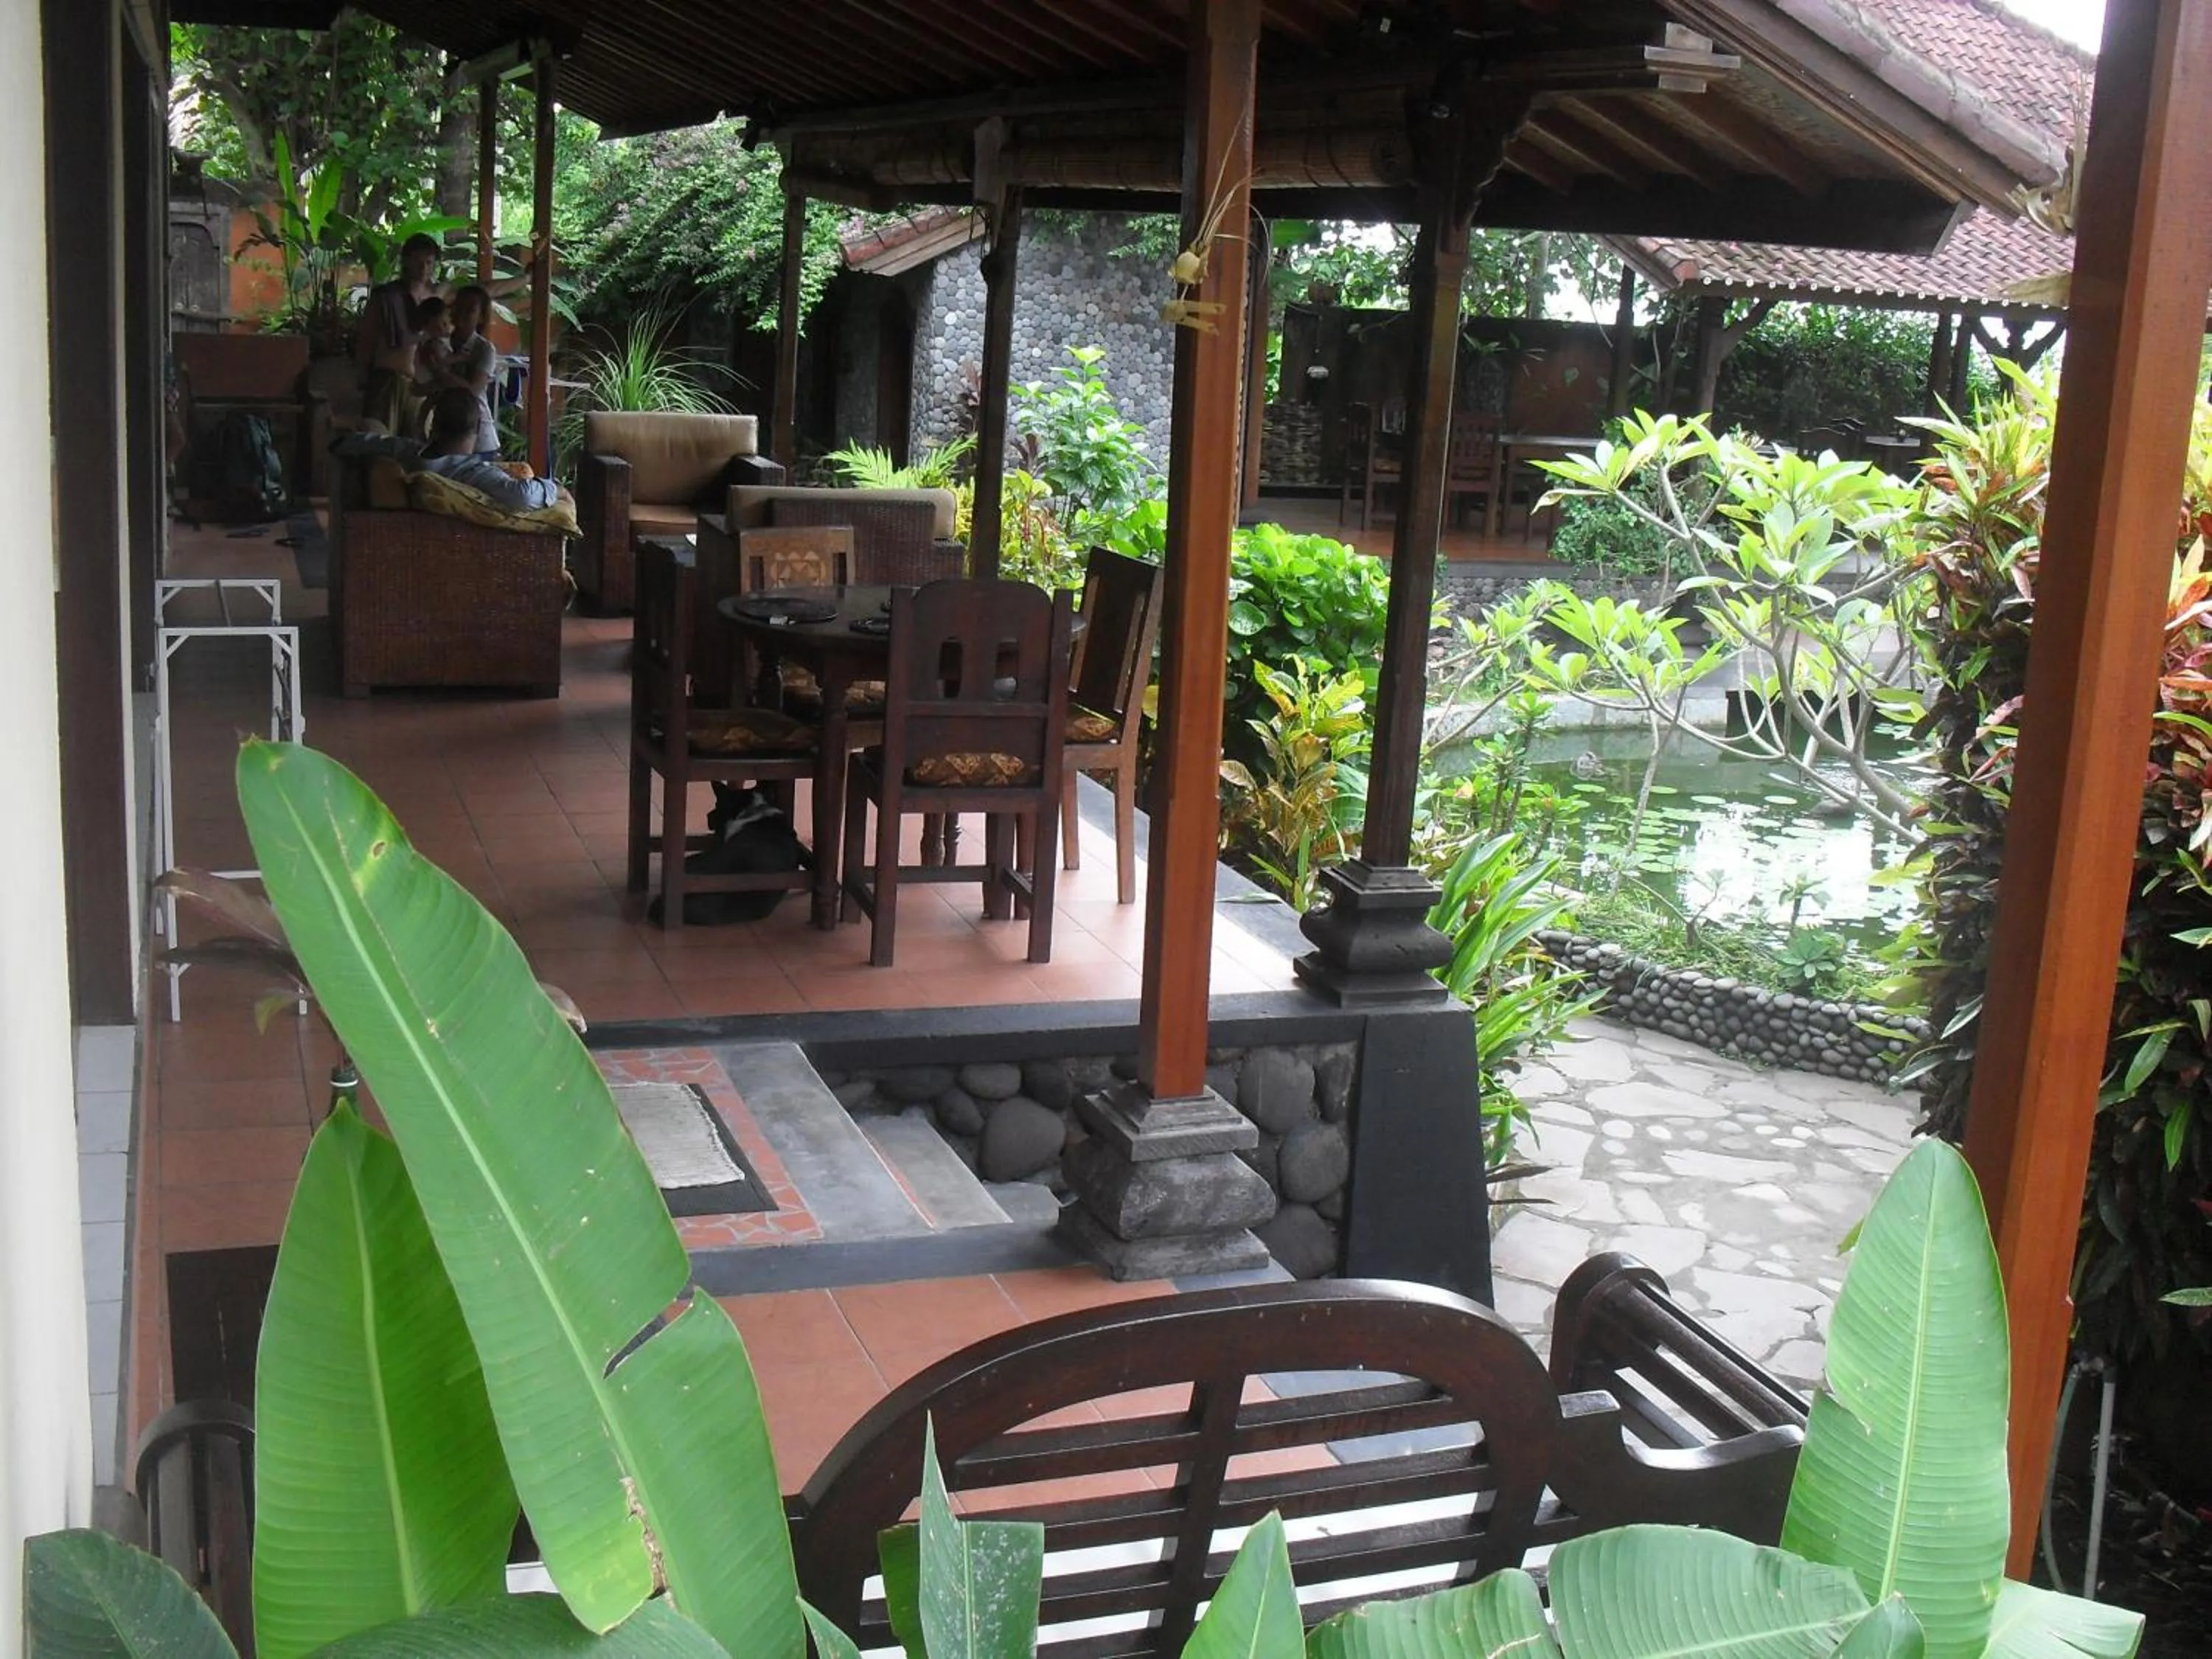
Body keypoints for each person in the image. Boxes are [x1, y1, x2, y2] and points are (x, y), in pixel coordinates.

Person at [419, 387, 560, 510]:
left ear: (433, 424)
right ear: (479, 427)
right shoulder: (474, 474)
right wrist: (556, 490)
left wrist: (420, 425)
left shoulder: (405, 454)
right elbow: (525, 496)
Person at [356, 233, 441, 434]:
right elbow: (366, 341)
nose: (424, 268)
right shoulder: (385, 296)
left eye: (429, 263)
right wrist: (361, 378)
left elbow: (483, 290)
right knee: (383, 444)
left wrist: (526, 278)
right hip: (387, 380)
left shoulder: (437, 295)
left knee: (418, 444)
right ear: (406, 261)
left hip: (420, 385)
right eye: (418, 262)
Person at [422, 285, 501, 457]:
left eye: (470, 309)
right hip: (442, 429)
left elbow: (474, 390)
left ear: (481, 317)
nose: (462, 313)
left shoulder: (484, 349)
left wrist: (441, 373)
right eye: (459, 307)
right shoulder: (438, 341)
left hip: (478, 438)